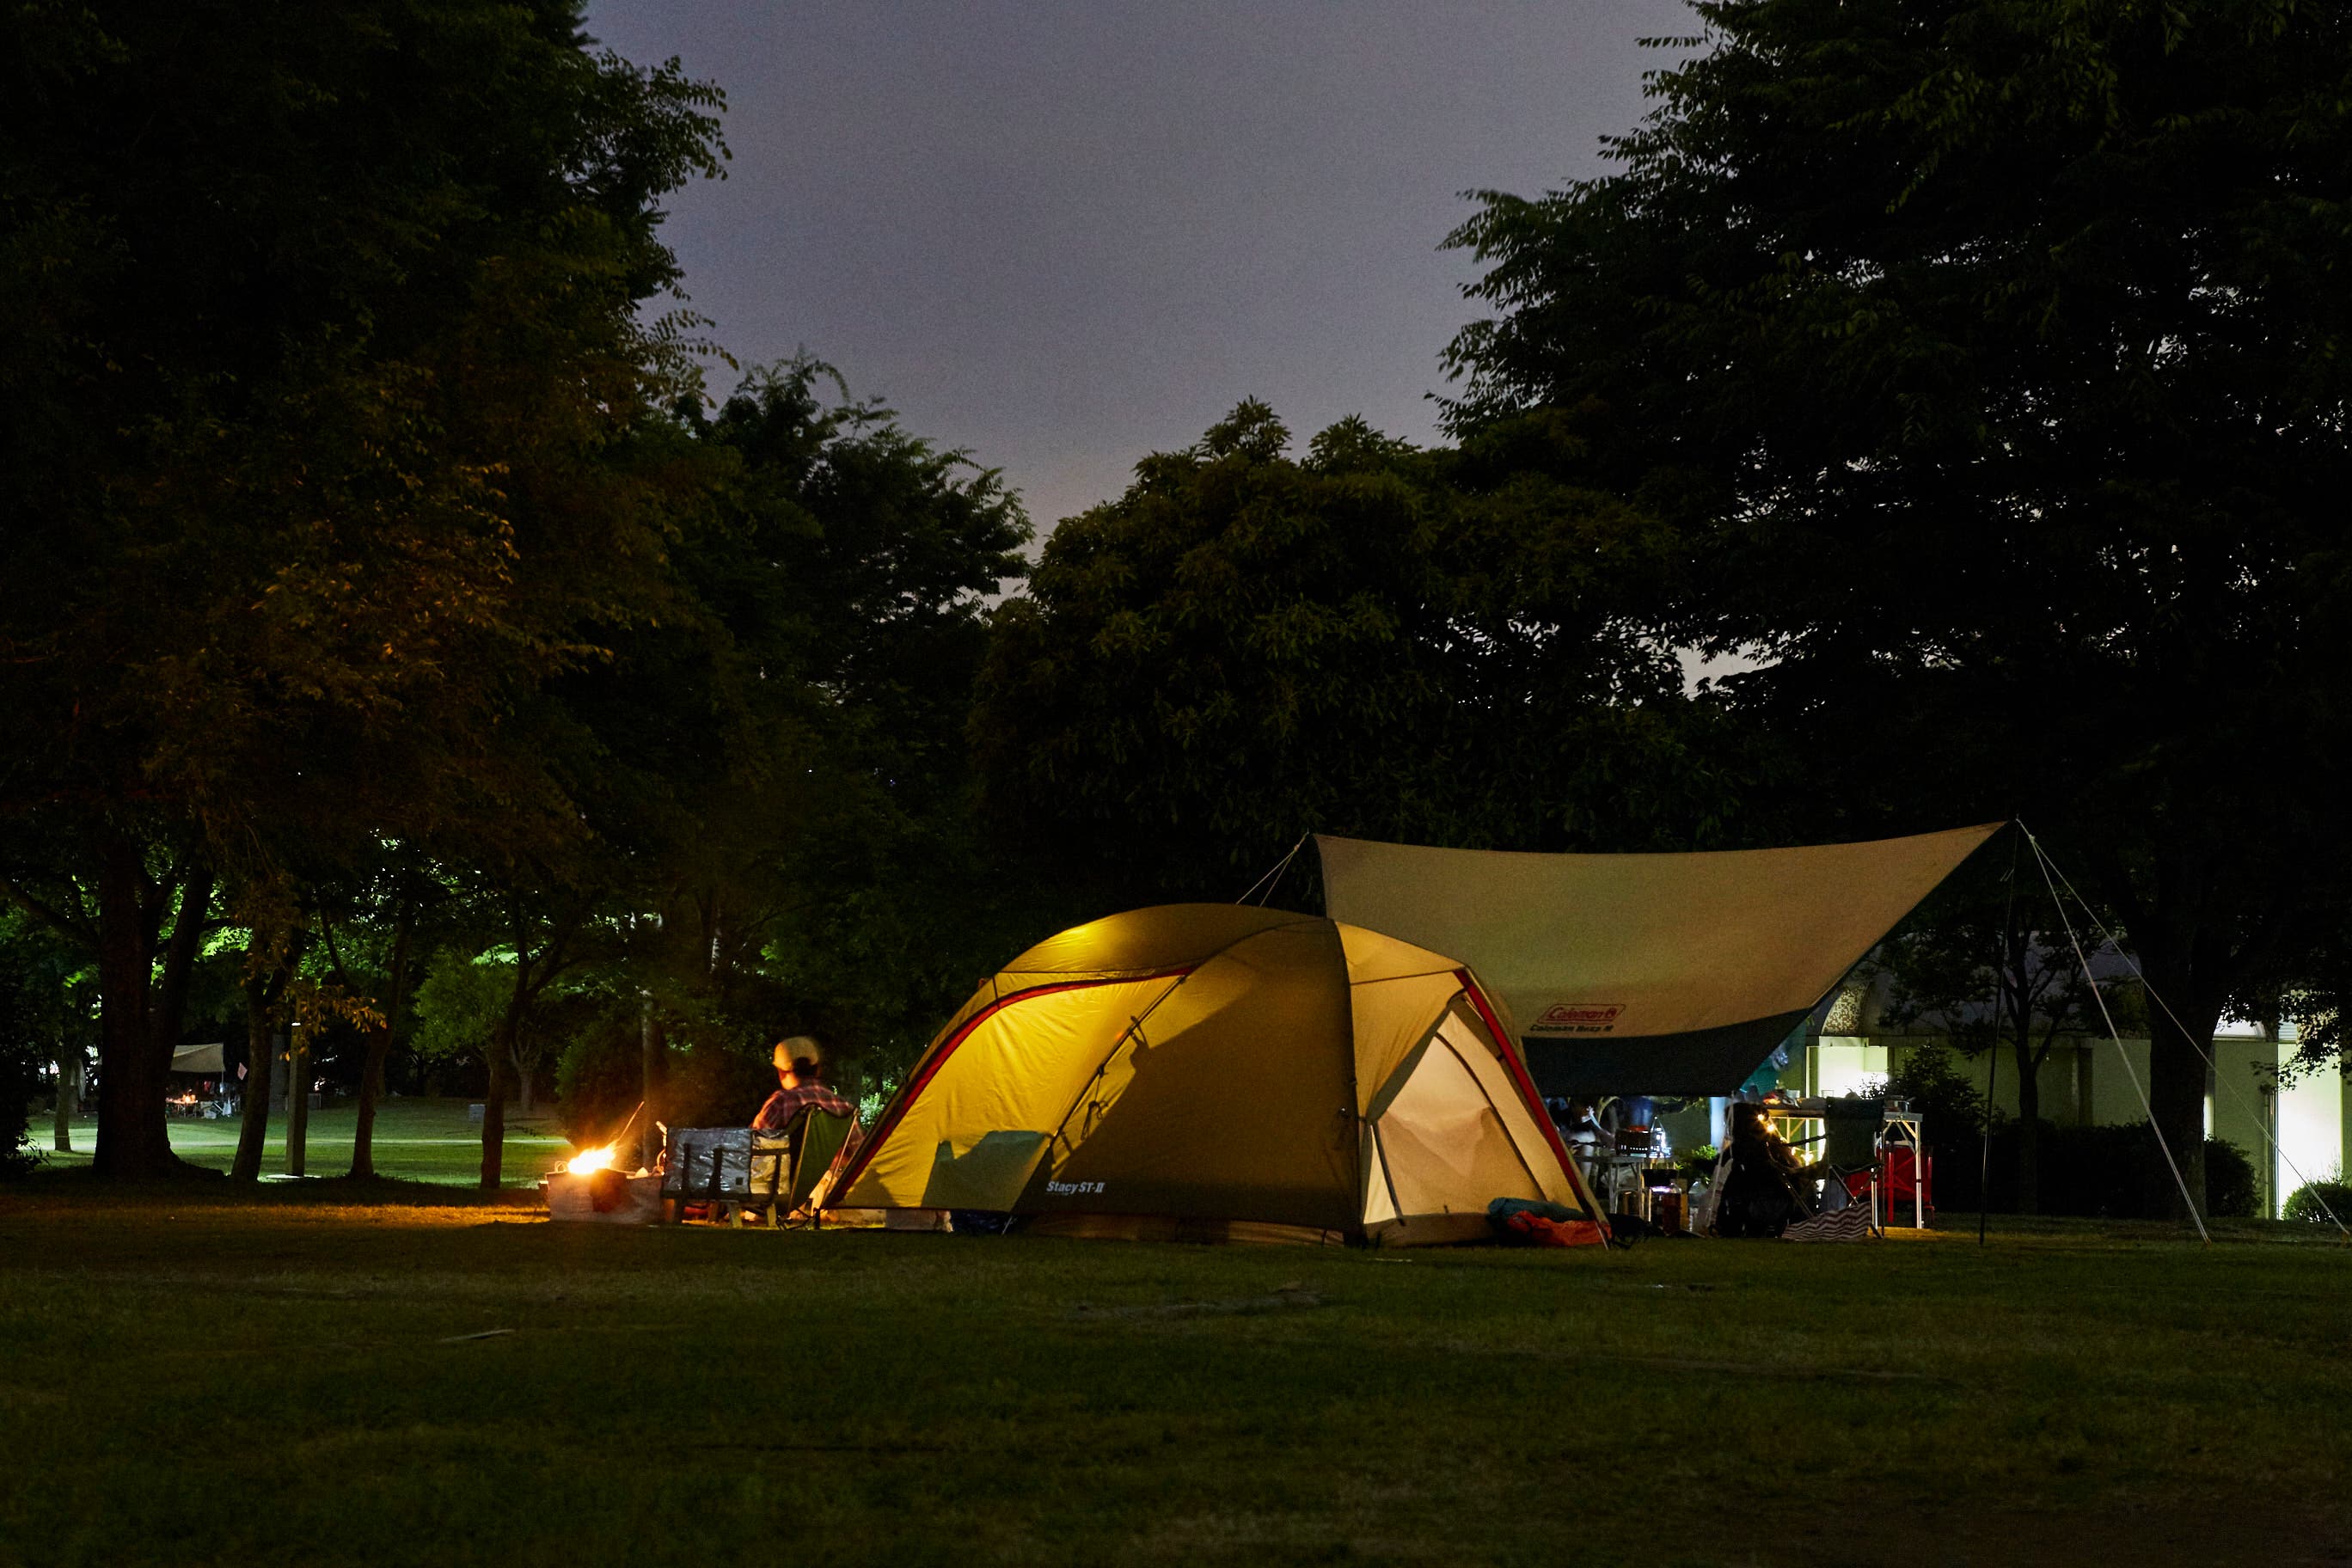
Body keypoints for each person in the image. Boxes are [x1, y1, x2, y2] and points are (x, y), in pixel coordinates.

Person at [753, 1038, 854, 1132]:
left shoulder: (781, 1103)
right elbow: (858, 1146)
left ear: (781, 1072)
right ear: (818, 1069)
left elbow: (750, 1145)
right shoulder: (844, 1107)